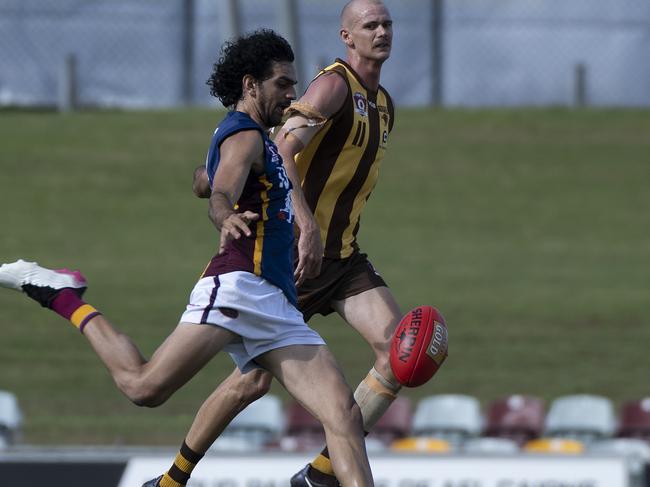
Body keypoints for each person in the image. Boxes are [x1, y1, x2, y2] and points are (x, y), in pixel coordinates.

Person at [0, 29, 374, 487]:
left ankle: (175, 480)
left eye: (293, 83)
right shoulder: (244, 138)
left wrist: (208, 179)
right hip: (239, 285)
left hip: (276, 302)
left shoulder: (252, 135)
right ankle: (62, 295)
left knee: (342, 413)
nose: (292, 93)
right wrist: (223, 214)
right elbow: (220, 192)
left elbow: (205, 179)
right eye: (281, 83)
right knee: (144, 387)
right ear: (250, 85)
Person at [144, 2, 443, 487]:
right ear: (347, 36)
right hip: (295, 258)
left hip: (343, 259)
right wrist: (305, 224)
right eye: (371, 25)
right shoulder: (333, 85)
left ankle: (322, 474)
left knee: (397, 356)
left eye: (387, 23)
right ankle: (173, 479)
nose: (382, 31)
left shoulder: (384, 103)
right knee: (251, 381)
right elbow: (283, 147)